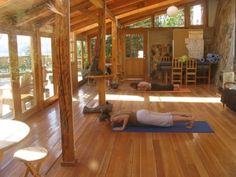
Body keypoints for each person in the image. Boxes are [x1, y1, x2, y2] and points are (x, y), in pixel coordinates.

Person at [111, 109, 194, 131]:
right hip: (141, 113)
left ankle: (188, 119)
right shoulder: (115, 116)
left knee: (165, 119)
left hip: (141, 117)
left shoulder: (114, 118)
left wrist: (122, 128)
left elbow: (126, 117)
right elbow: (128, 113)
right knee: (165, 115)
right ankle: (186, 115)